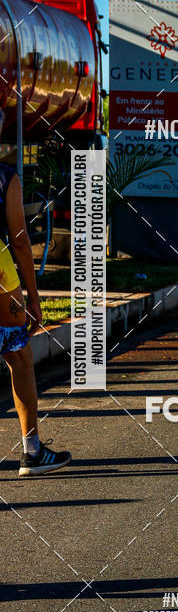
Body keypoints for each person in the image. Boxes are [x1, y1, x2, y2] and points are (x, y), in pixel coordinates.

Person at [0, 118, 71, 476]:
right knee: (20, 358)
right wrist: (33, 297)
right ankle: (31, 451)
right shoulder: (4, 178)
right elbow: (20, 241)